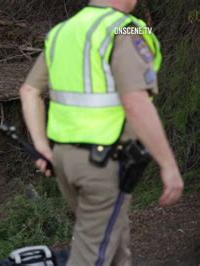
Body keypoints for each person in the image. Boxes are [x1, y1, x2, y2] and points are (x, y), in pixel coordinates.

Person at [19, 0, 184, 265]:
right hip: (104, 164)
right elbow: (135, 101)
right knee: (92, 256)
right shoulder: (123, 30)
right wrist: (168, 165)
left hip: (64, 160)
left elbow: (29, 92)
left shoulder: (62, 31)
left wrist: (42, 148)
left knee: (114, 243)